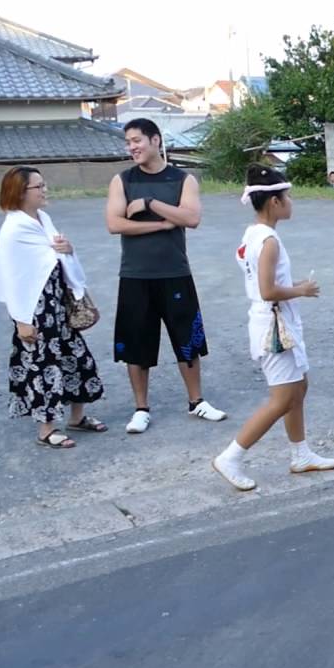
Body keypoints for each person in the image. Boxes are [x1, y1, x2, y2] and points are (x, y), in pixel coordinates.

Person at [211, 165, 334, 491]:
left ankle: (301, 453)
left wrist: (293, 286)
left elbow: (263, 284)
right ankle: (231, 456)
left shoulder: (251, 234)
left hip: (273, 317)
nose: (291, 201)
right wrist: (301, 290)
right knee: (281, 398)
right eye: (287, 196)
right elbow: (268, 290)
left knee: (298, 387)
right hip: (273, 324)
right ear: (273, 202)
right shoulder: (268, 240)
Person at [106, 117, 226, 434]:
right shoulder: (122, 180)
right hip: (135, 275)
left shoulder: (182, 179)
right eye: (128, 142)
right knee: (136, 343)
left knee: (187, 338)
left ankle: (196, 401)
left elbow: (191, 217)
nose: (132, 147)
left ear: (156, 140)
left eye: (137, 140)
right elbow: (115, 223)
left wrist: (148, 203)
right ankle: (141, 408)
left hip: (174, 271)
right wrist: (160, 224)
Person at [0, 166, 107, 449]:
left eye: (44, 185)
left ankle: (77, 418)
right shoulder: (14, 229)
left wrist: (68, 250)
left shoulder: (43, 219)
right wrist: (20, 320)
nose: (45, 191)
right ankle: (46, 430)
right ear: (20, 192)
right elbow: (12, 277)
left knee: (77, 358)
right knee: (44, 367)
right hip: (34, 309)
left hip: (57, 306)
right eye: (38, 187)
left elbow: (55, 256)